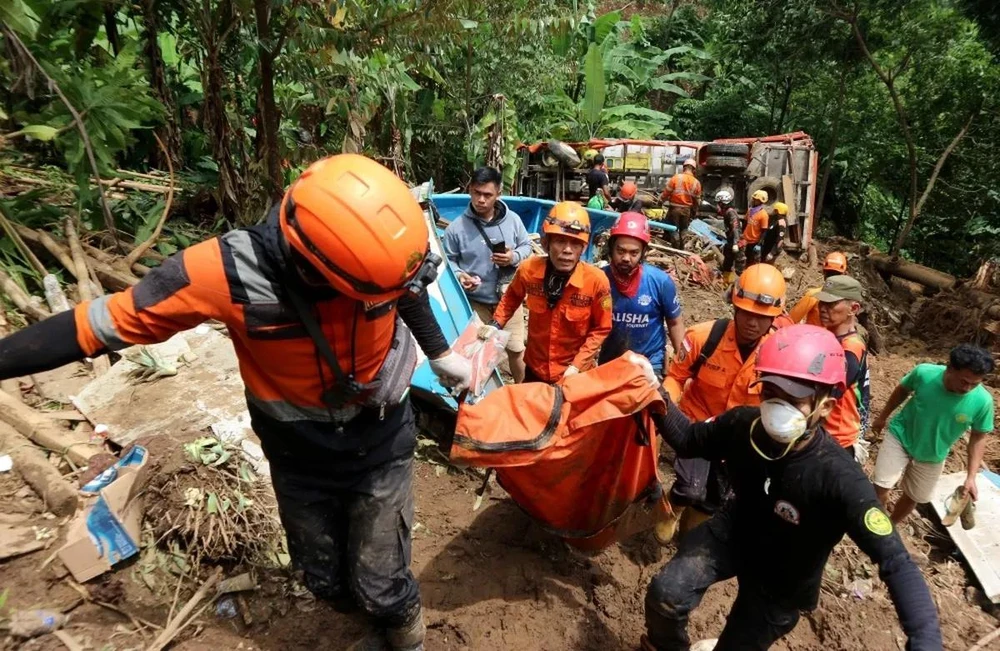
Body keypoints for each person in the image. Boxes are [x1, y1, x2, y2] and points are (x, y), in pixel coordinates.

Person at [0, 155, 474, 651]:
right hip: (298, 454)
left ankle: (404, 636)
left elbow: (406, 289)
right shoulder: (220, 272)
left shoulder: (382, 265)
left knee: (382, 584)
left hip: (380, 438)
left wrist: (441, 353)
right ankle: (355, 614)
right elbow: (95, 326)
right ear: (315, 268)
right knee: (321, 578)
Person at [642, 324, 942, 651]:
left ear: (824, 406)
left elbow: (896, 561)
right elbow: (688, 439)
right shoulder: (744, 426)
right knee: (666, 595)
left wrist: (925, 639)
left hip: (784, 581)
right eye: (770, 395)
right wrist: (655, 391)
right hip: (733, 534)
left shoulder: (839, 479)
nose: (776, 409)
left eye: (793, 399)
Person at [658, 264, 788, 541]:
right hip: (698, 425)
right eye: (748, 313)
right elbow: (676, 377)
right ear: (735, 306)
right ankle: (672, 508)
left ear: (775, 316)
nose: (753, 322)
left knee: (713, 500)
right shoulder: (703, 338)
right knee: (691, 488)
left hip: (739, 439)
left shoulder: (779, 357)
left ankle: (688, 540)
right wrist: (665, 408)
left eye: (761, 316)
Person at [482, 201, 612, 383]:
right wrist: (496, 324)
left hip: (575, 375)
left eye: (575, 243)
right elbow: (512, 297)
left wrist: (577, 365)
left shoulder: (596, 282)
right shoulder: (528, 270)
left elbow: (602, 328)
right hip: (536, 369)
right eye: (559, 241)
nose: (567, 250)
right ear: (546, 243)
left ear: (583, 248)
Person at [871, 344, 995, 524]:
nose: (967, 388)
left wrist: (971, 477)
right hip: (901, 436)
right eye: (964, 381)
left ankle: (891, 526)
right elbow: (902, 390)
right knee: (881, 486)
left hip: (933, 453)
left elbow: (978, 437)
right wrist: (882, 417)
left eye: (974, 384)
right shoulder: (924, 374)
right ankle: (876, 526)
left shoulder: (983, 402)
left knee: (914, 496)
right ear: (950, 369)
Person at [443, 166, 532, 382]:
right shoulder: (456, 229)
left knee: (517, 351)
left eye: (487, 195)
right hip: (476, 304)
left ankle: (522, 394)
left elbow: (526, 246)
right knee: (474, 353)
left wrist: (513, 257)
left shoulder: (513, 220)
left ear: (498, 194)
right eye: (476, 193)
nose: (481, 200)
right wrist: (461, 276)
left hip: (509, 300)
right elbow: (449, 261)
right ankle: (477, 396)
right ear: (470, 190)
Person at [598, 211, 684, 380]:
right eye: (620, 251)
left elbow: (675, 323)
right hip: (610, 363)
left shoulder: (660, 282)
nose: (626, 258)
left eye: (633, 253)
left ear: (643, 252)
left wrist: (683, 366)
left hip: (650, 365)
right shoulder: (599, 280)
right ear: (611, 248)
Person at [815, 276, 871, 458]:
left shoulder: (851, 347)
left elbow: (831, 391)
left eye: (830, 304)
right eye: (821, 302)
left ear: (853, 309)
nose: (822, 308)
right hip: (821, 431)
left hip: (836, 438)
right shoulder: (827, 337)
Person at [788, 252, 849, 326]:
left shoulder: (813, 295)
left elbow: (790, 320)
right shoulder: (847, 301)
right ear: (845, 274)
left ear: (824, 273)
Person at [660, 159, 702, 246]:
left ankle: (675, 247)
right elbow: (697, 200)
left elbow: (666, 192)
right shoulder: (696, 183)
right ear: (694, 170)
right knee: (684, 229)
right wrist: (695, 211)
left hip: (674, 209)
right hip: (687, 210)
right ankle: (683, 248)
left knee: (672, 228)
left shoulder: (676, 178)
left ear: (684, 168)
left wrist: (660, 201)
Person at [715, 189, 744, 285]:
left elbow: (735, 228)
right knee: (727, 262)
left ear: (723, 203)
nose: (717, 206)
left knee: (739, 264)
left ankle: (742, 284)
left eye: (719, 203)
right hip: (731, 241)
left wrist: (736, 243)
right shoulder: (727, 212)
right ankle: (726, 281)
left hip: (737, 242)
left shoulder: (731, 213)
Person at [739, 190, 769, 266]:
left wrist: (759, 244)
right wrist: (742, 235)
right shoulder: (750, 211)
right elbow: (745, 223)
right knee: (744, 261)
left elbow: (764, 231)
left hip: (754, 242)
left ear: (760, 201)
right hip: (746, 241)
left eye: (755, 200)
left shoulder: (763, 215)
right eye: (754, 199)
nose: (753, 201)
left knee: (753, 263)